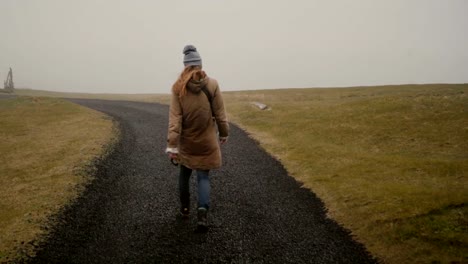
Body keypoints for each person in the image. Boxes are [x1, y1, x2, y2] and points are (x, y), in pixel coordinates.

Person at [166, 45, 229, 231]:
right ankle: (202, 213)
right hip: (207, 140)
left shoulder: (178, 88)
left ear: (185, 66)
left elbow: (175, 119)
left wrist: (172, 145)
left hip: (187, 142)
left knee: (184, 175)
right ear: (200, 64)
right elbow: (220, 114)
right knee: (203, 177)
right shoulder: (213, 84)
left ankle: (185, 210)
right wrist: (224, 133)